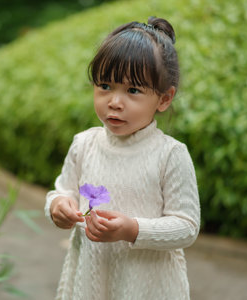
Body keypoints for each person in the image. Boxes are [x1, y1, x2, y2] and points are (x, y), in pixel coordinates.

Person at [45, 16, 200, 300]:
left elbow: (187, 226)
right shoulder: (85, 144)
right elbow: (62, 189)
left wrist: (133, 229)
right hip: (90, 279)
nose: (115, 101)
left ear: (164, 99)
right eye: (105, 85)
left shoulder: (170, 155)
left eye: (132, 90)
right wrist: (58, 205)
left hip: (147, 285)